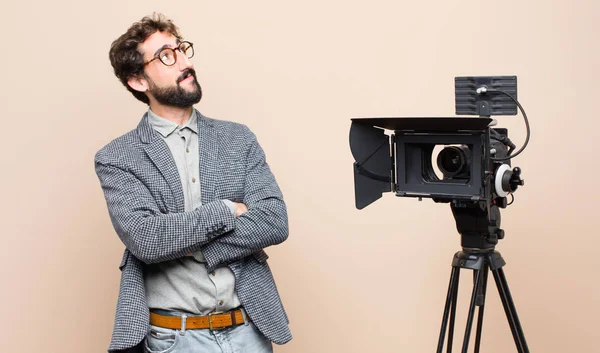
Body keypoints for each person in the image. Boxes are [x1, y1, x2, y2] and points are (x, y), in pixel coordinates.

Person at [95, 13, 291, 353]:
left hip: (249, 331)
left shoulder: (237, 138)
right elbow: (147, 240)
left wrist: (188, 244)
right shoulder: (118, 157)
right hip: (172, 339)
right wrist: (228, 211)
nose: (184, 62)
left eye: (182, 49)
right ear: (138, 81)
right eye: (166, 56)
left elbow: (274, 220)